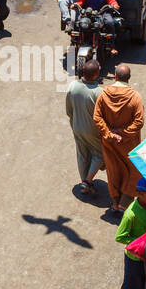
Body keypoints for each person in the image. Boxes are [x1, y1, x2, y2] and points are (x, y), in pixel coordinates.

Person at [94, 63, 145, 213]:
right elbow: (139, 122)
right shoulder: (135, 97)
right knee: (133, 171)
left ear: (115, 76)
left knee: (113, 171)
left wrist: (110, 134)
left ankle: (115, 203)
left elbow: (97, 117)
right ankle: (124, 202)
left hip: (109, 143)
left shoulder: (104, 94)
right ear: (129, 78)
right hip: (128, 144)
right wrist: (122, 134)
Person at [65, 59, 104, 196]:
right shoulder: (99, 92)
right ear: (95, 74)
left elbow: (69, 111)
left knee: (82, 155)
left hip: (77, 126)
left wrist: (74, 123)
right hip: (92, 129)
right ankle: (87, 181)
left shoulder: (72, 86)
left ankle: (85, 182)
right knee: (100, 154)